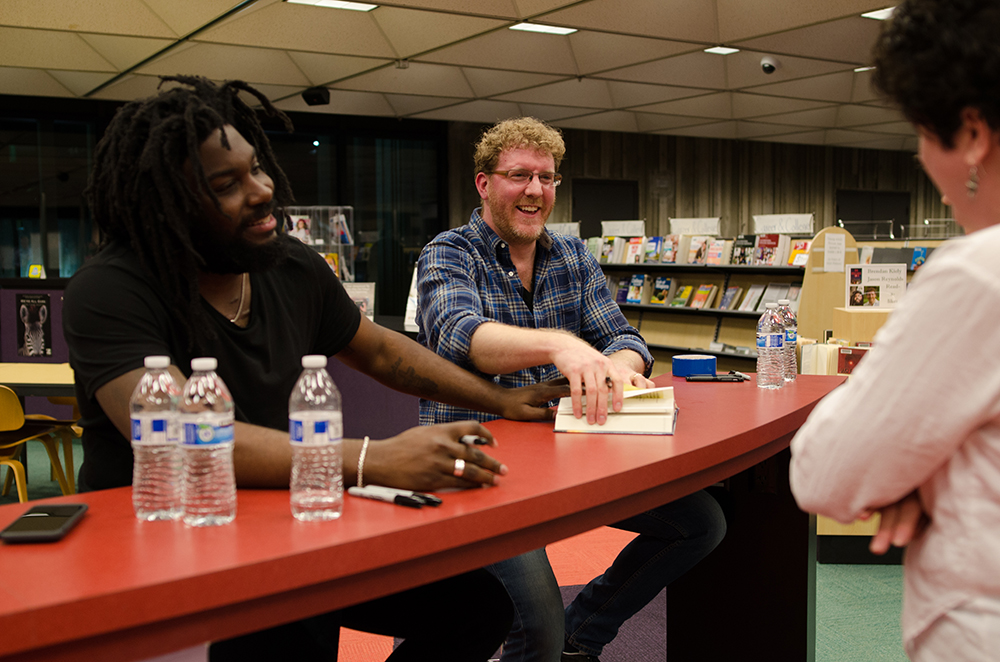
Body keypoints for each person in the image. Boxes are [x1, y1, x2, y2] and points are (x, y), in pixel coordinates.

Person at [64, 76, 570, 662]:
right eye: (227, 184)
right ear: (169, 205)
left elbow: (382, 351)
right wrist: (371, 458)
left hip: (284, 520)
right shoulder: (111, 288)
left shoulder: (290, 266)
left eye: (256, 169)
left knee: (475, 608)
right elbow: (182, 436)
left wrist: (501, 400)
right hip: (165, 551)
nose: (262, 191)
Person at [416, 117, 726, 662]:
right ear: (484, 184)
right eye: (519, 175)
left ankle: (581, 638)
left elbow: (625, 339)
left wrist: (622, 366)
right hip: (478, 468)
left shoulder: (571, 256)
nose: (535, 190)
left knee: (699, 524)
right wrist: (561, 346)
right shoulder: (448, 252)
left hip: (565, 458)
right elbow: (460, 336)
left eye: (547, 177)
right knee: (536, 624)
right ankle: (558, 642)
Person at [789, 1, 1000, 660]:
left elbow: (825, 473)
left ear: (970, 134)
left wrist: (903, 469)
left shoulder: (977, 274)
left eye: (919, 132)